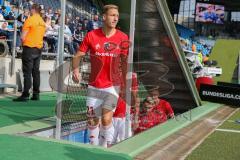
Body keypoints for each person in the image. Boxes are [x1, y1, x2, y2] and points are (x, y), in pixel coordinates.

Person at [72, 4, 128, 147]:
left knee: (106, 119)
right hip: (94, 85)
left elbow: (124, 62)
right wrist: (75, 70)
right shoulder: (91, 35)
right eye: (112, 15)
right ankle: (93, 146)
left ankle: (104, 148)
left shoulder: (123, 37)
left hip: (113, 86)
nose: (115, 18)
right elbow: (77, 55)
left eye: (117, 15)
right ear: (104, 17)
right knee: (92, 120)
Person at [13, 3, 46, 101]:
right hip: (38, 49)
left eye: (30, 9)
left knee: (27, 72)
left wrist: (23, 42)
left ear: (33, 10)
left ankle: (25, 94)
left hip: (29, 47)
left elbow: (23, 37)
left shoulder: (30, 20)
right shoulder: (42, 21)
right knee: (36, 72)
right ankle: (36, 94)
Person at [111, 72, 138, 145]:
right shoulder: (110, 72)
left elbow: (135, 98)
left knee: (125, 142)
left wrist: (136, 118)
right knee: (109, 143)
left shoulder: (132, 76)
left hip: (125, 116)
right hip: (109, 115)